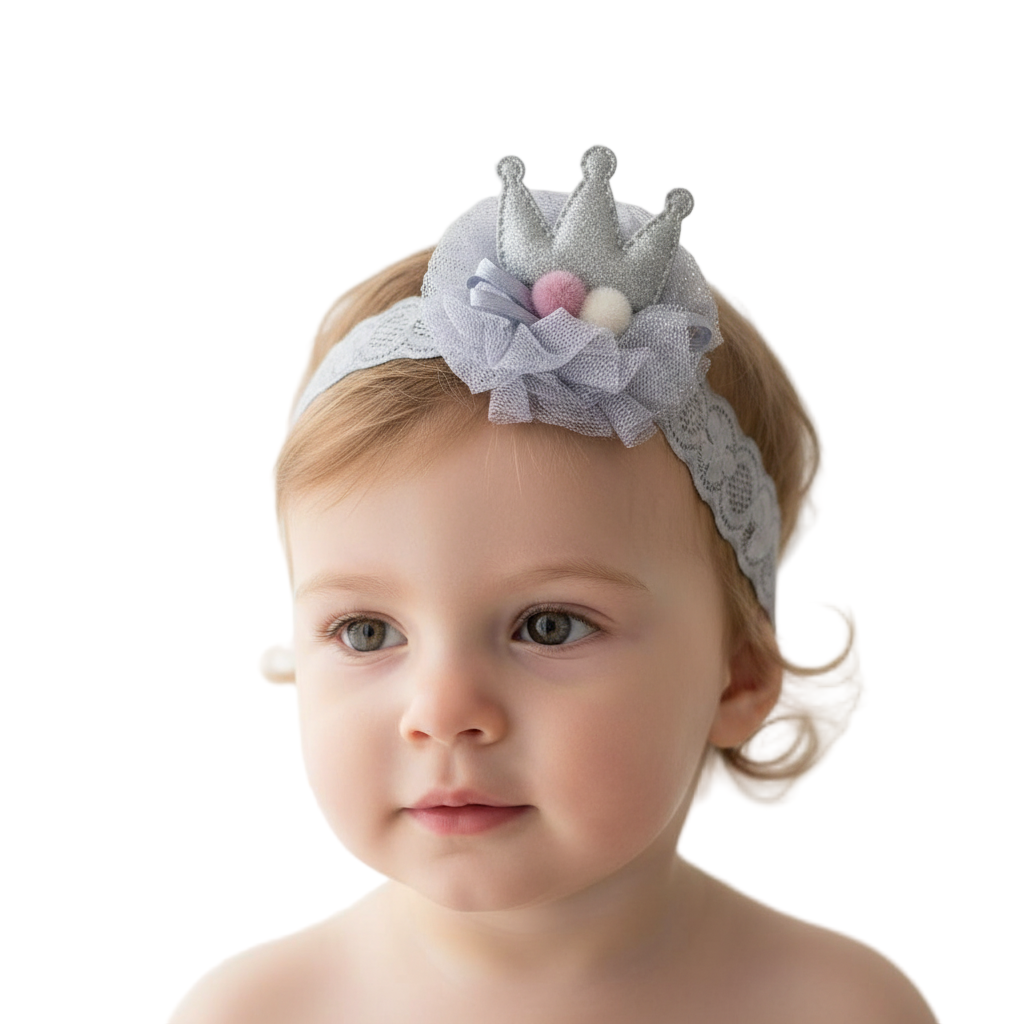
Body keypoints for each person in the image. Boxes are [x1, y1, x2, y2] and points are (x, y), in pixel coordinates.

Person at [170, 147, 936, 1023]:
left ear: (740, 676)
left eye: (550, 626)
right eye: (367, 632)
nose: (444, 708)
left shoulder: (834, 1009)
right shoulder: (258, 1011)